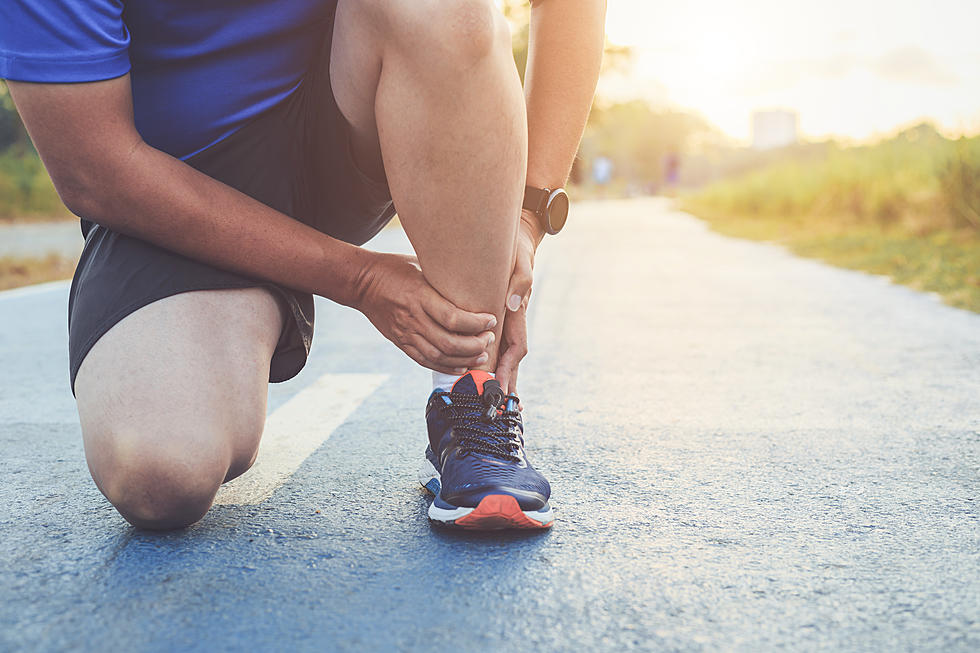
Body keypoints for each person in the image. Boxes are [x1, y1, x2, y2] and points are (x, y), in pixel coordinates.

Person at [0, 0, 606, 531]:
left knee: (443, 6)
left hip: (341, 122)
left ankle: (471, 395)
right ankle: (249, 298)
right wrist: (359, 279)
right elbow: (93, 169)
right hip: (174, 188)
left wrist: (524, 216)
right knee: (159, 474)